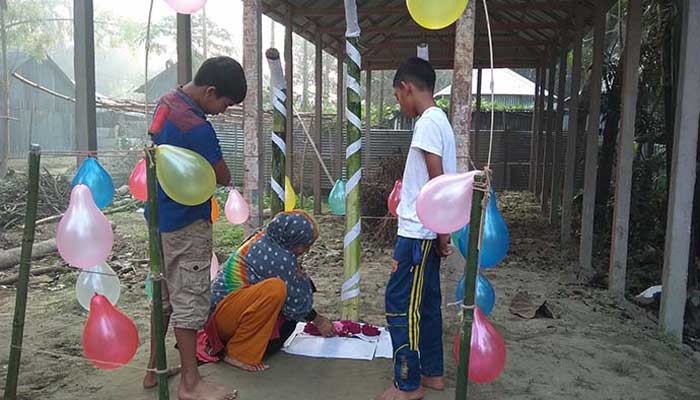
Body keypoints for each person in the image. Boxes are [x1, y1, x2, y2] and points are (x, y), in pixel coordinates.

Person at [143, 57, 245, 400]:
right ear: (211, 91)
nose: (222, 111)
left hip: (158, 216)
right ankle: (191, 384)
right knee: (189, 295)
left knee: (165, 294)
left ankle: (153, 369)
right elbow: (223, 176)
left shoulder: (167, 102)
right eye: (225, 103)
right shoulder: (197, 127)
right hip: (186, 222)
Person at [378, 57, 457, 400]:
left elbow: (437, 182)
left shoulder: (427, 123)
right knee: (426, 305)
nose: (400, 103)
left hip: (417, 234)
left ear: (407, 88)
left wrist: (441, 232)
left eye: (398, 97)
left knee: (400, 303)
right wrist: (442, 231)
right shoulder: (440, 121)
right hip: (428, 231)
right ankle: (432, 374)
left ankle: (408, 383)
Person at [201, 210, 335, 372]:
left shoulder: (267, 238)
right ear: (292, 239)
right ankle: (238, 353)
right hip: (221, 321)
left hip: (228, 312)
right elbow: (296, 305)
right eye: (304, 245)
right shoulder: (280, 258)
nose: (306, 251)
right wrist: (319, 321)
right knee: (276, 289)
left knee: (285, 316)